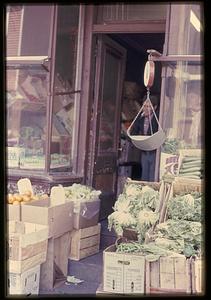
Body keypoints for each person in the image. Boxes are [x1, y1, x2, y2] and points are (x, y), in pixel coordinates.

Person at [130, 95, 159, 181]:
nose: (146, 109)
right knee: (144, 177)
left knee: (152, 178)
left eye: (149, 107)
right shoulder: (141, 119)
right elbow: (133, 133)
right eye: (144, 106)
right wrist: (139, 117)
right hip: (144, 153)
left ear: (155, 107)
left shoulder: (158, 119)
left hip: (155, 153)